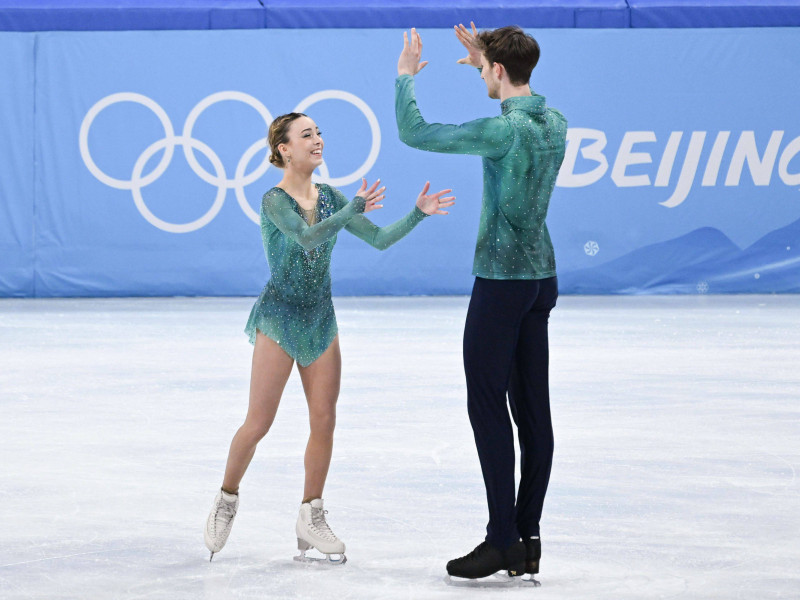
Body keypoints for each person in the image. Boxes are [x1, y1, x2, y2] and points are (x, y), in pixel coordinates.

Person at [204, 112, 455, 563]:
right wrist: (351, 209)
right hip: (279, 318)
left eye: (319, 132)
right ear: (284, 149)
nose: (318, 139)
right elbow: (305, 237)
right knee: (258, 422)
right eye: (307, 135)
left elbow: (378, 239)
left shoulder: (333, 198)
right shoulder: (274, 200)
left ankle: (310, 513)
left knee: (324, 420)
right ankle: (226, 497)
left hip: (321, 318)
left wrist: (417, 214)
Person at [395, 24, 567, 581]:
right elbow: (510, 94)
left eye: (486, 67)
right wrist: (484, 63)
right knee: (533, 410)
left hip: (501, 281)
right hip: (541, 276)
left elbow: (415, 133)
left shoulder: (502, 132)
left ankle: (501, 538)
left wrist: (405, 78)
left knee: (487, 405)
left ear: (497, 70)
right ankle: (528, 537)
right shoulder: (553, 121)